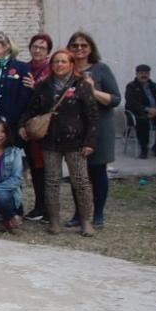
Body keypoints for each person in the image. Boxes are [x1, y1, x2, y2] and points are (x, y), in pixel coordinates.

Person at [20, 49, 97, 236]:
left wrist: (90, 142)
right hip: (50, 141)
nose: (59, 65)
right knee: (52, 181)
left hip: (76, 141)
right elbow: (32, 109)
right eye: (56, 62)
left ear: (71, 64)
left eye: (63, 62)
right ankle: (54, 221)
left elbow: (92, 116)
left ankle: (86, 221)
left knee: (81, 182)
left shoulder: (81, 86)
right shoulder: (44, 86)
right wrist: (23, 124)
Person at [65, 31, 120, 228]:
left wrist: (92, 90)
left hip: (100, 128)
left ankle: (97, 214)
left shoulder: (101, 69)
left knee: (97, 171)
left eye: (83, 45)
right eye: (75, 45)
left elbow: (115, 99)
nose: (79, 49)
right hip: (75, 129)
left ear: (90, 48)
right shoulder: (67, 70)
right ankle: (79, 213)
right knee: (77, 173)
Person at [22, 33, 54, 222]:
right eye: (35, 46)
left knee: (48, 170)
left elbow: (52, 98)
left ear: (47, 51)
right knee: (35, 169)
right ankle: (39, 206)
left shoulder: (51, 69)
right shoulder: (26, 68)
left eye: (42, 47)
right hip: (29, 126)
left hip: (47, 127)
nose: (37, 50)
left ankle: (49, 209)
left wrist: (36, 88)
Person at [125, 64, 156, 159]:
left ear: (149, 74)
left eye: (146, 73)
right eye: (141, 73)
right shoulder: (131, 86)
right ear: (137, 74)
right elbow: (131, 103)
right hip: (139, 113)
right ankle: (144, 149)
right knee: (143, 121)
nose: (144, 75)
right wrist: (147, 110)